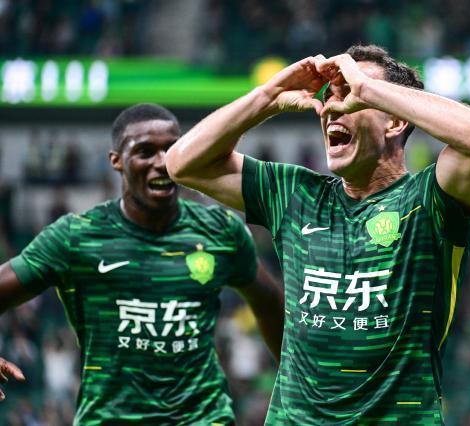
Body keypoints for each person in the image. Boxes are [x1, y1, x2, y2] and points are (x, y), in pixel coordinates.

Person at [166, 45, 470, 424]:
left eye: (351, 94)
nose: (332, 108)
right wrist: (267, 97)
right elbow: (182, 163)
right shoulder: (294, 195)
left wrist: (368, 89)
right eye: (330, 97)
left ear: (395, 122)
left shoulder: (429, 201)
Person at [0, 103, 284, 425]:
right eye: (145, 152)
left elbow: (271, 304)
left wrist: (296, 381)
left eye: (172, 150)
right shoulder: (76, 237)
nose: (162, 163)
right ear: (116, 161)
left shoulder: (221, 231)